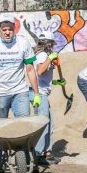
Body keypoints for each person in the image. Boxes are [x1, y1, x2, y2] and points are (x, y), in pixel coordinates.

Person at [0, 13, 41, 166]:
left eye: (10, 29)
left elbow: (30, 69)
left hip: (20, 91)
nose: (7, 32)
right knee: (0, 128)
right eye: (4, 29)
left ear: (15, 29)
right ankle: (0, 158)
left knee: (24, 125)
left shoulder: (23, 43)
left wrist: (37, 93)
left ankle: (24, 158)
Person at [30, 31, 63, 165]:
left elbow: (43, 77)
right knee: (43, 125)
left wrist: (56, 82)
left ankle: (47, 153)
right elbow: (39, 71)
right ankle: (38, 155)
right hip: (38, 94)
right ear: (49, 43)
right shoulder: (42, 55)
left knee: (49, 124)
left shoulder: (44, 55)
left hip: (43, 93)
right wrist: (50, 59)